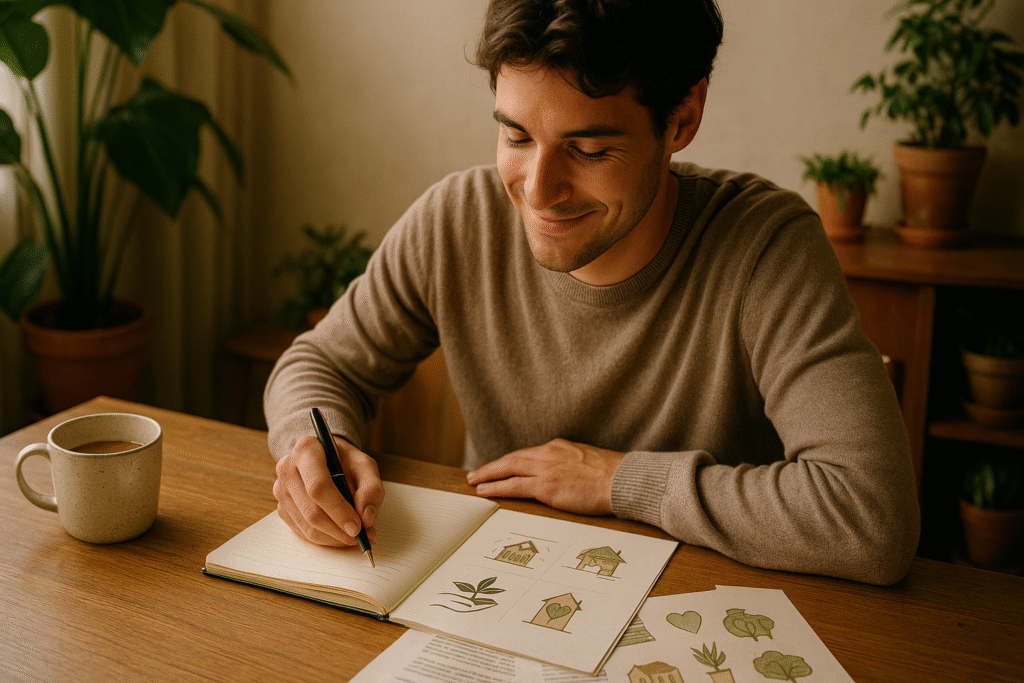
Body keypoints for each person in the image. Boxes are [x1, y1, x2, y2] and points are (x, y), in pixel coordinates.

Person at [264, 0, 920, 585]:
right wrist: (316, 446)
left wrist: (617, 480)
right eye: (516, 135)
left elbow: (871, 515)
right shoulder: (457, 221)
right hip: (499, 596)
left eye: (588, 149)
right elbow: (318, 364)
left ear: (683, 118)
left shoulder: (767, 249)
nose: (538, 190)